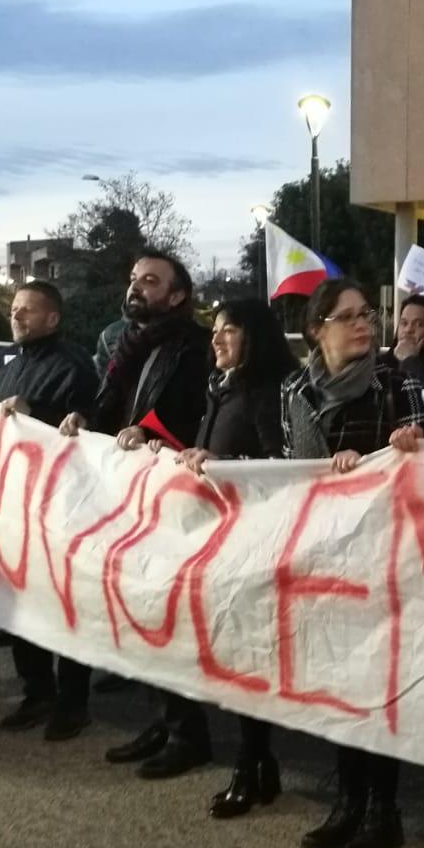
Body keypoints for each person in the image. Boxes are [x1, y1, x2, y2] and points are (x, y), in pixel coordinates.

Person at [117, 299, 296, 807]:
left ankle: (253, 763)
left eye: (229, 331)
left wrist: (226, 463)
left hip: (255, 544)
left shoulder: (270, 390)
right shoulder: (219, 388)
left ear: (255, 337)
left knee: (249, 659)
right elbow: (202, 450)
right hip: (219, 540)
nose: (216, 340)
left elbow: (285, 463)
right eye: (215, 330)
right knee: (231, 656)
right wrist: (163, 447)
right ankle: (255, 764)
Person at [280, 277, 424, 848]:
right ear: (318, 329)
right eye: (346, 316)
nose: (363, 323)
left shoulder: (396, 380)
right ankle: (347, 800)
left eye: (367, 313)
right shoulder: (294, 387)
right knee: (338, 684)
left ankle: (382, 812)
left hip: (387, 555)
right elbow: (292, 468)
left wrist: (395, 450)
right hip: (325, 555)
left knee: (377, 683)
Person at [60, 253, 213, 765]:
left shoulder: (192, 346)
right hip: (126, 494)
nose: (136, 288)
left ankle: (188, 734)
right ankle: (162, 721)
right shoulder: (127, 344)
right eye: (133, 279)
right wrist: (85, 417)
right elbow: (111, 404)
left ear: (176, 296)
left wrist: (150, 431)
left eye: (150, 281)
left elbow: (190, 413)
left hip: (169, 497)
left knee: (167, 616)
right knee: (139, 612)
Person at [0, 282, 101, 741]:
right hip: (19, 506)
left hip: (64, 507)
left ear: (52, 319)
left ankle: (73, 702)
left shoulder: (75, 366)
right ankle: (36, 692)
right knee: (22, 606)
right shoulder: (11, 368)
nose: (16, 317)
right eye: (14, 309)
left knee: (65, 607)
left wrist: (35, 409)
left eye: (27, 311)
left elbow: (89, 429)